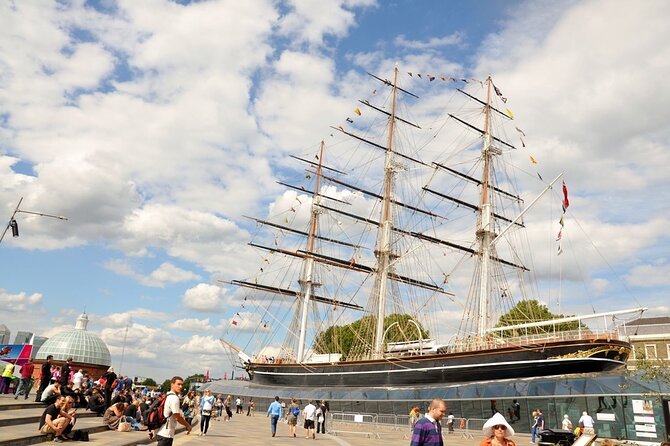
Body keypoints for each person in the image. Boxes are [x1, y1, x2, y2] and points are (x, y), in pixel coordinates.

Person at [156, 376, 192, 445]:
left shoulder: (167, 395)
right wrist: (188, 425)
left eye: (182, 384)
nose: (181, 386)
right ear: (172, 385)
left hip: (161, 432)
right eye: (178, 384)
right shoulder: (174, 398)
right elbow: (177, 417)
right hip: (166, 434)